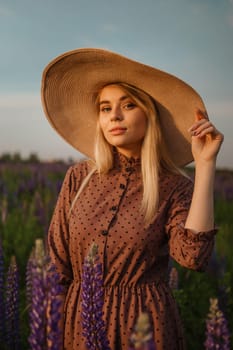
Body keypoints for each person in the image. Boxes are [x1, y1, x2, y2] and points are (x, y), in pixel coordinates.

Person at [41, 48, 224, 350]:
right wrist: (51, 328)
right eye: (105, 107)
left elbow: (193, 257)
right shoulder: (78, 177)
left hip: (145, 326)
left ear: (148, 113)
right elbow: (57, 265)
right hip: (79, 325)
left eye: (128, 105)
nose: (114, 115)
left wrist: (205, 165)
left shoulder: (172, 186)